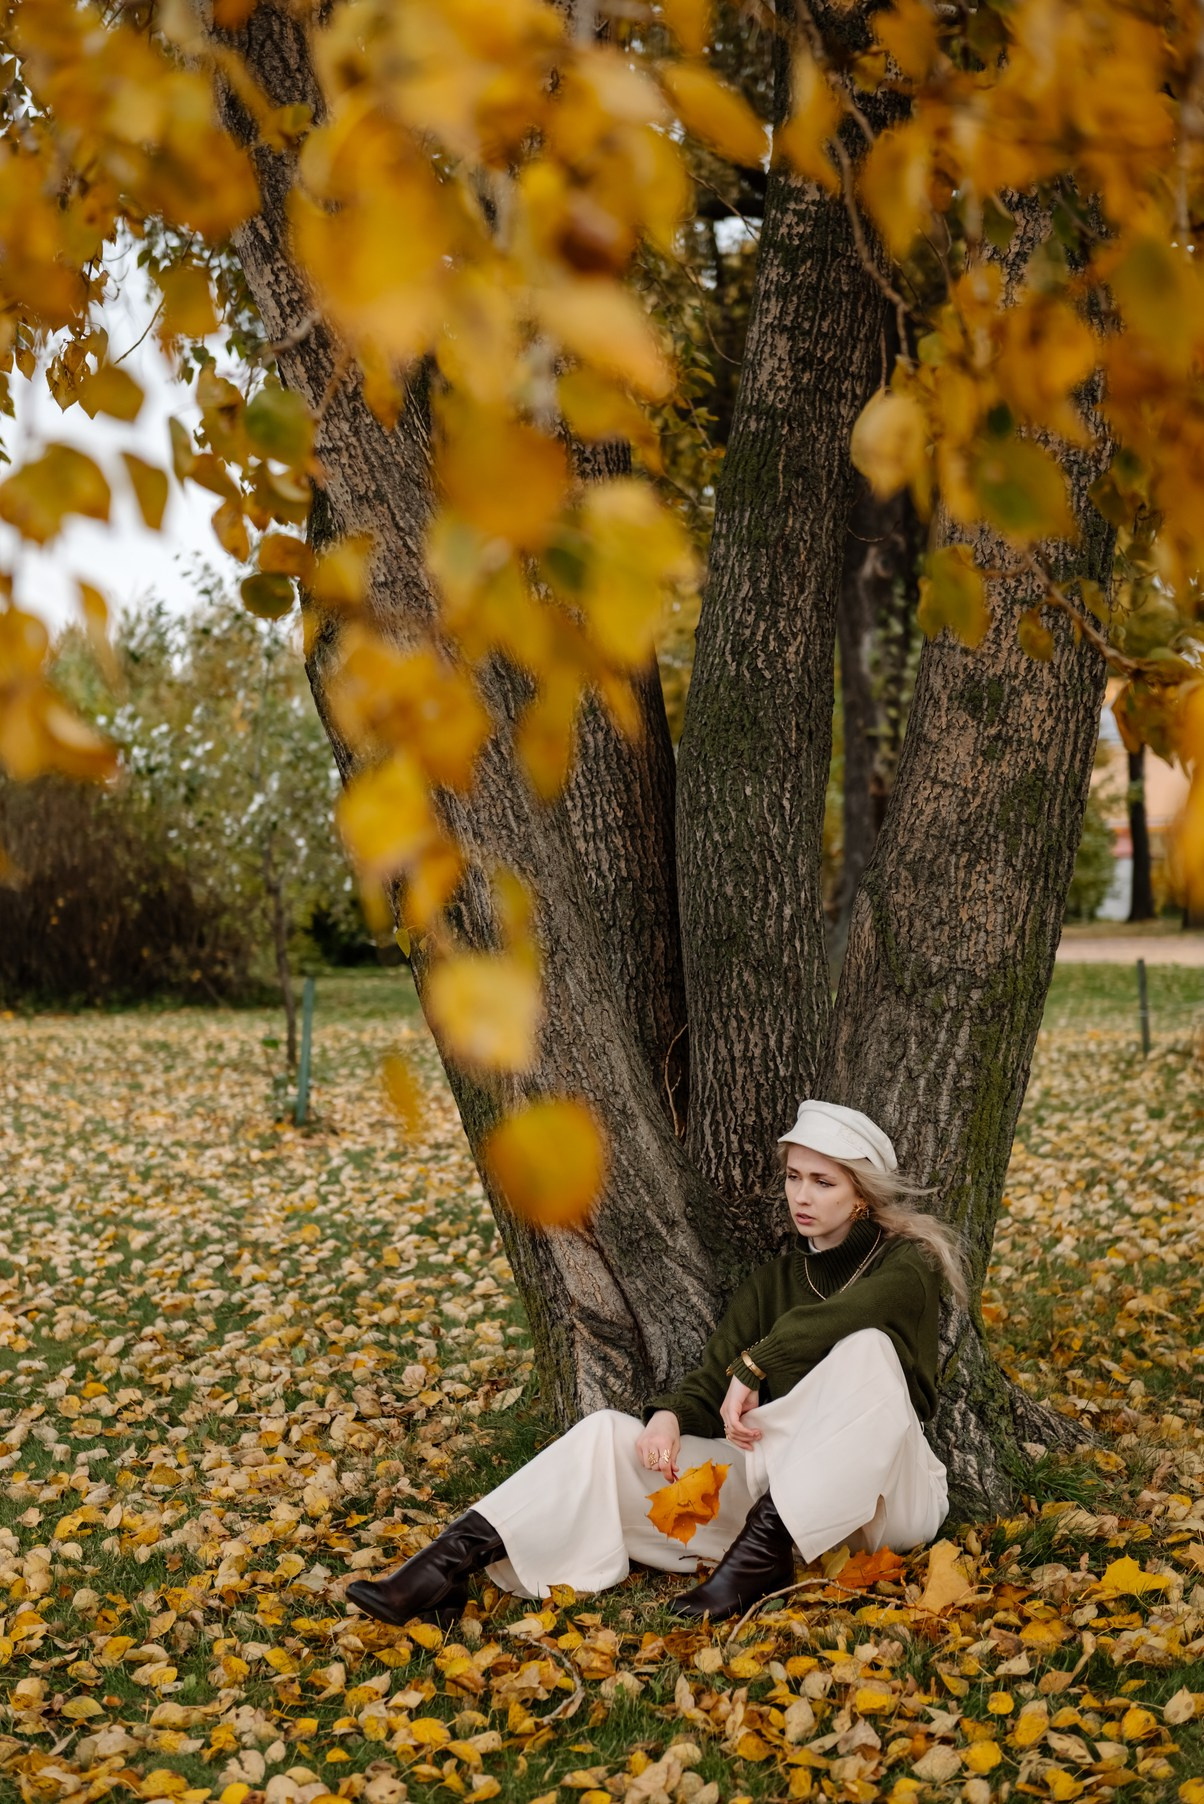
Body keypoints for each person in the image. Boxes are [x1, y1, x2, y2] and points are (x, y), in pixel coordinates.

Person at [346, 1100, 966, 1627]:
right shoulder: (773, 1282)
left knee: (865, 1348)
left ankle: (760, 1563)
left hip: (887, 1505)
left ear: (861, 1196)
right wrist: (670, 1416)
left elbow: (844, 1317)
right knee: (605, 1435)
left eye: (824, 1183)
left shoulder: (907, 1264)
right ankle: (442, 1570)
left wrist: (757, 1364)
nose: (801, 1196)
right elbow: (714, 1377)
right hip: (774, 1503)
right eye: (794, 1177)